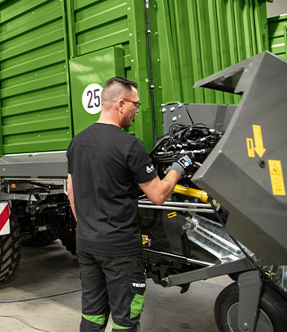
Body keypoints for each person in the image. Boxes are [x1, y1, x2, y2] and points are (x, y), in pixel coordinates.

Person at [66, 77, 193, 332]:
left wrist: (90, 227)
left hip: (87, 244)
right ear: (121, 104)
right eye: (135, 104)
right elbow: (158, 195)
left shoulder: (77, 142)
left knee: (92, 315)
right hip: (120, 250)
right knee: (125, 320)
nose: (137, 110)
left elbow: (71, 192)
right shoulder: (129, 145)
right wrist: (179, 168)